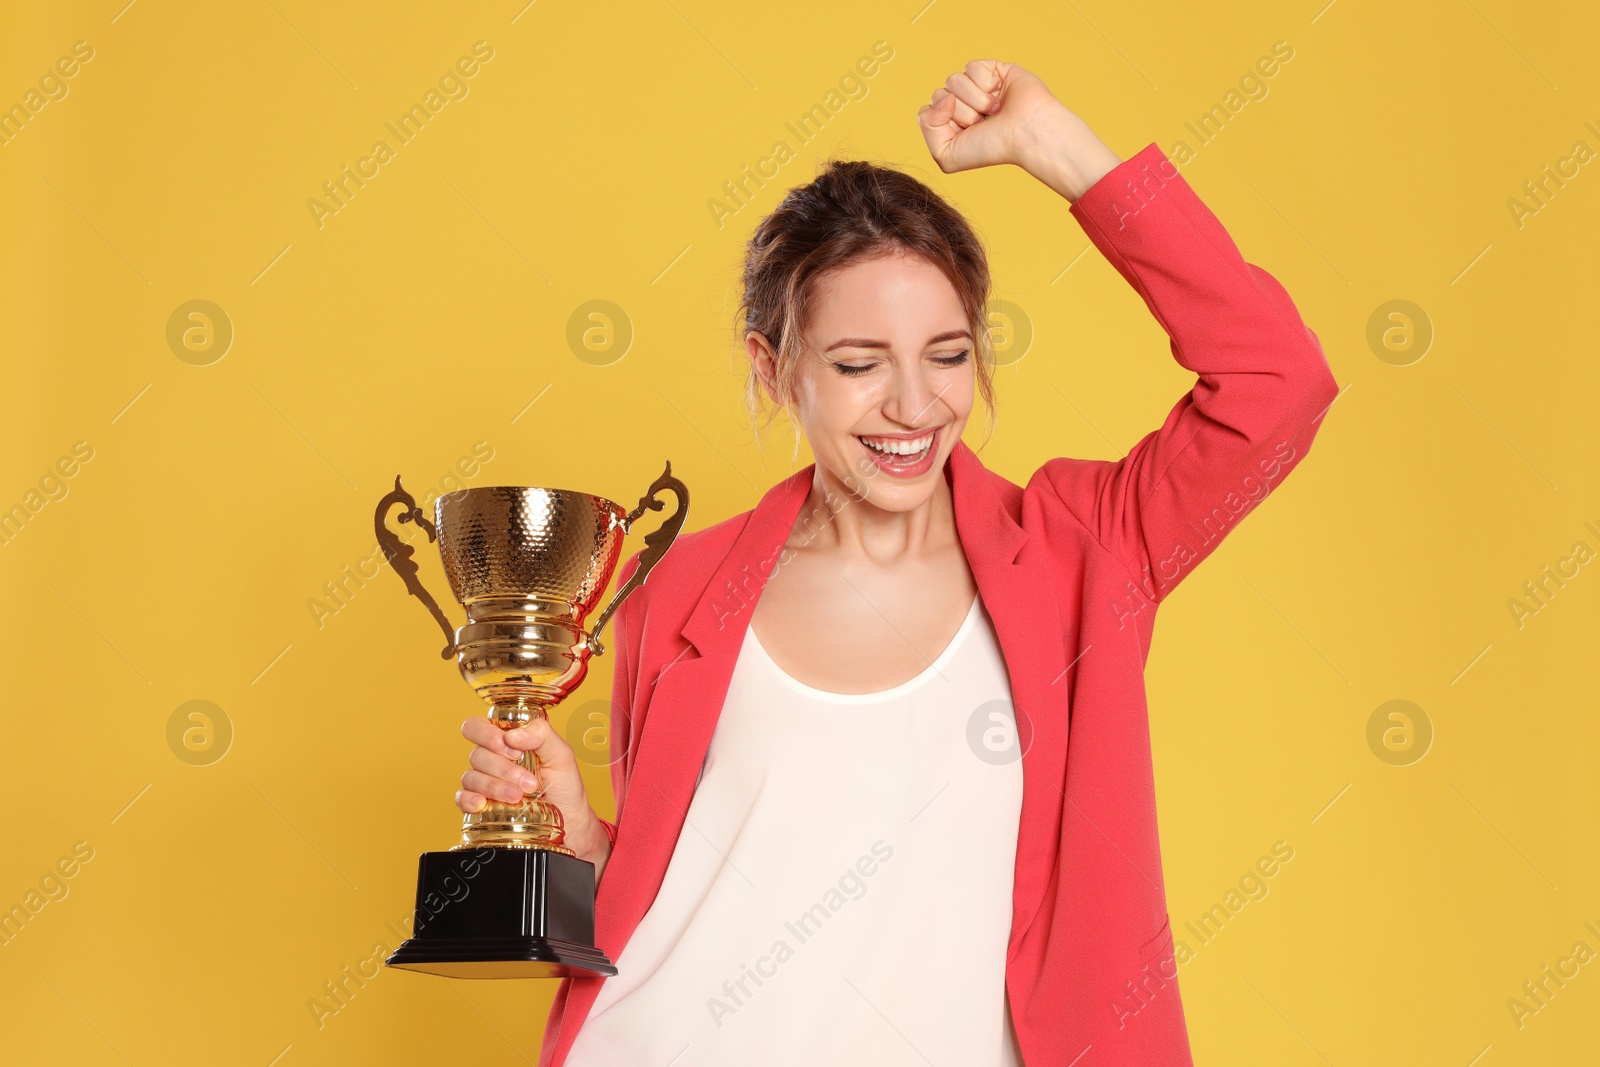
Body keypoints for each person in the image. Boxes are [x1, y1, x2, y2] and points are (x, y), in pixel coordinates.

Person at [456, 59, 1338, 1067]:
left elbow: (1277, 380)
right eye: (858, 363)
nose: (914, 406)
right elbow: (697, 894)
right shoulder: (682, 591)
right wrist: (586, 846)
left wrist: (1058, 148)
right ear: (772, 367)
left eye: (949, 354)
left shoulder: (1082, 551)